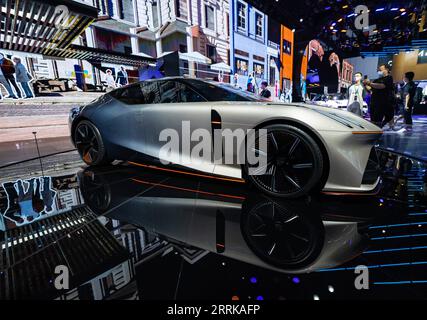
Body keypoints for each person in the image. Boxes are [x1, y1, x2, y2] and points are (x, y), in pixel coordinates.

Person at [363, 64, 394, 128]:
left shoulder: (389, 78)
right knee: (373, 119)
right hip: (374, 102)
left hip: (382, 103)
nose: (379, 71)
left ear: (387, 70)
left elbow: (382, 86)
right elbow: (370, 90)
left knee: (378, 119)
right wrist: (365, 85)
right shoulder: (377, 80)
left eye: (381, 69)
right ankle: (374, 130)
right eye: (378, 70)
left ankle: (378, 130)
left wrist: (369, 83)